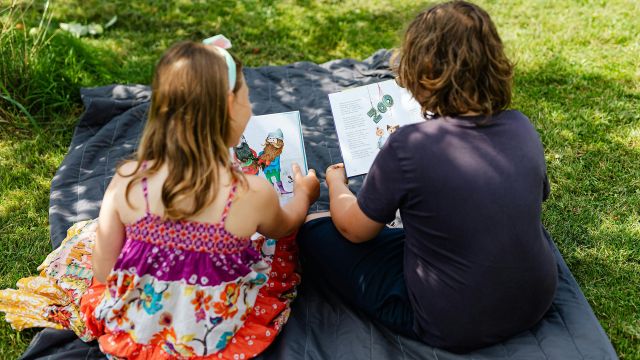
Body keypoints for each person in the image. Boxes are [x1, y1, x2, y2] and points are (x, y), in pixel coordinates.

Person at [0, 39, 319, 359]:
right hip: (211, 339)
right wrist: (304, 194)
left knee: (93, 235)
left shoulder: (127, 181)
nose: (250, 109)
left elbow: (103, 272)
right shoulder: (251, 192)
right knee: (275, 246)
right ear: (227, 106)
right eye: (247, 100)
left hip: (136, 335)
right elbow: (284, 225)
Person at [298, 1, 557, 353]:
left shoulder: (410, 144)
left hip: (450, 320)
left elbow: (354, 230)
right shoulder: (521, 126)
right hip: (535, 298)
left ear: (420, 72)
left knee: (315, 228)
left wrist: (336, 186)